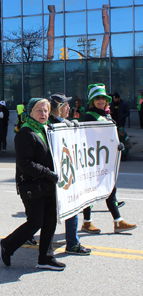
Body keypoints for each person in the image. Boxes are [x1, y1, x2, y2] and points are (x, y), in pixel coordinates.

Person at [0, 98, 66, 271]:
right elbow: (25, 164)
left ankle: (45, 258)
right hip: (32, 185)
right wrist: (49, 174)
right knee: (35, 222)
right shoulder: (25, 133)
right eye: (39, 111)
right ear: (30, 112)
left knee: (50, 221)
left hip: (48, 182)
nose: (43, 114)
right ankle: (7, 245)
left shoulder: (47, 129)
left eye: (46, 111)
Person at [80, 84, 137, 234]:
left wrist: (118, 144)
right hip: (94, 161)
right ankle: (87, 222)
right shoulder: (89, 116)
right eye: (97, 98)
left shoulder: (105, 114)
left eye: (103, 98)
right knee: (91, 192)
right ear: (92, 101)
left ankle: (118, 221)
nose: (101, 101)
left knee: (111, 189)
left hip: (106, 159)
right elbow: (87, 139)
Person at [48, 93, 91, 255]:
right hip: (57, 175)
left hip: (67, 173)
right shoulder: (51, 126)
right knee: (50, 211)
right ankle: (71, 243)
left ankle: (72, 242)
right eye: (65, 105)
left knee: (70, 207)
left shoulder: (65, 123)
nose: (69, 108)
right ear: (58, 109)